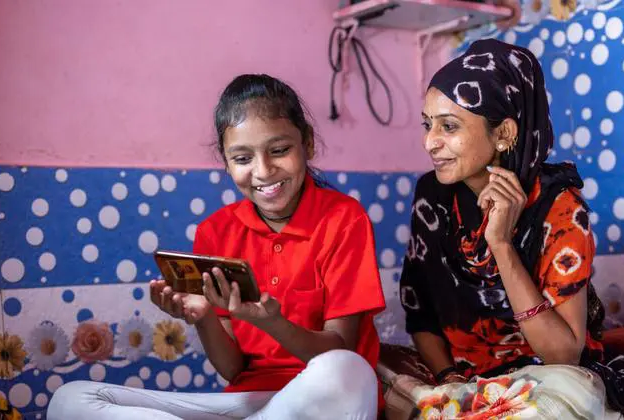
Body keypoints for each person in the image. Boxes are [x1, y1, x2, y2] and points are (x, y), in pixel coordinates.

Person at [48, 74, 386, 420]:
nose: (264, 170)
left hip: (318, 399)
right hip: (249, 401)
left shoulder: (344, 219)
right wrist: (204, 317)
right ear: (225, 162)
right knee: (71, 400)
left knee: (347, 371)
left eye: (280, 150)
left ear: (308, 144)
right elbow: (233, 369)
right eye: (242, 159)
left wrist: (272, 323)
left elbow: (338, 349)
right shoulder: (216, 231)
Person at [400, 39, 624, 419]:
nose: (430, 142)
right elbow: (419, 312)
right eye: (427, 125)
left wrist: (502, 245)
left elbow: (562, 354)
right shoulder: (433, 197)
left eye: (448, 126)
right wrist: (449, 381)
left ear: (504, 133)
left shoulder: (559, 208)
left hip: (547, 380)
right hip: (461, 378)